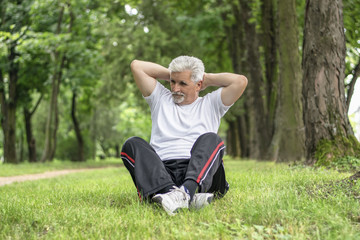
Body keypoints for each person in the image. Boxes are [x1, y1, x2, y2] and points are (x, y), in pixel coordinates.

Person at [121, 56, 247, 216]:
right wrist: (176, 74)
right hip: (163, 173)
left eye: (183, 83)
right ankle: (176, 194)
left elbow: (240, 81)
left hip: (202, 173)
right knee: (132, 144)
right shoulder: (160, 98)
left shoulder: (211, 103)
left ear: (198, 84)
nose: (175, 88)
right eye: (173, 82)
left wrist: (205, 78)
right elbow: (137, 66)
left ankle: (187, 190)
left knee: (211, 139)